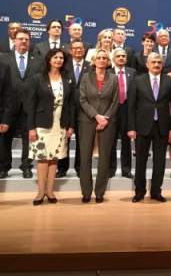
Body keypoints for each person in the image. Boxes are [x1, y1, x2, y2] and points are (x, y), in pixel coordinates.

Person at [128, 52, 171, 203]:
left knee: (160, 162)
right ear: (147, 64)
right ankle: (139, 191)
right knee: (140, 161)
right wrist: (131, 127)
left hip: (162, 127)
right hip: (142, 127)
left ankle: (156, 191)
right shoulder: (137, 80)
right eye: (153, 62)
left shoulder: (169, 81)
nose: (156, 64)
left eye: (159, 62)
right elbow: (131, 106)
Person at [27, 48, 75, 205]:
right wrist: (31, 128)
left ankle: (50, 191)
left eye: (61, 58)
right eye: (55, 57)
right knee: (42, 159)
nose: (58, 60)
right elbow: (31, 105)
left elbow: (71, 105)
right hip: (41, 125)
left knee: (54, 159)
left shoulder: (68, 79)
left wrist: (71, 126)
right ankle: (40, 192)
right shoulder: (38, 78)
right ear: (49, 59)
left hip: (60, 125)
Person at [78, 49, 119, 203]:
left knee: (104, 159)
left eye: (104, 58)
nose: (101, 60)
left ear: (108, 62)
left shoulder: (114, 78)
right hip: (87, 121)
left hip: (107, 122)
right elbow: (82, 100)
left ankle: (100, 192)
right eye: (99, 58)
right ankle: (86, 192)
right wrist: (96, 116)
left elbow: (115, 101)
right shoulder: (85, 77)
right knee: (85, 158)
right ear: (94, 61)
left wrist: (105, 118)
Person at [0, 28, 42, 179]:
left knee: (28, 138)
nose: (23, 41)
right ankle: (3, 167)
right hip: (8, 106)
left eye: (26, 39)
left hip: (30, 106)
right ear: (14, 41)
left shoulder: (38, 60)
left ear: (29, 42)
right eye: (20, 39)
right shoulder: (3, 58)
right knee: (5, 138)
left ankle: (26, 166)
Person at [57, 38, 90, 178]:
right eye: (75, 48)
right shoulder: (63, 66)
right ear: (70, 51)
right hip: (67, 108)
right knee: (64, 139)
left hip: (85, 109)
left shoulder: (91, 66)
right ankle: (62, 168)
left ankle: (79, 167)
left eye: (81, 48)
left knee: (82, 141)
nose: (78, 50)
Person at [107, 47, 136, 179]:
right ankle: (110, 169)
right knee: (111, 141)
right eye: (118, 56)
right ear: (113, 59)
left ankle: (126, 170)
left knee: (126, 142)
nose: (121, 58)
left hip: (127, 110)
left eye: (123, 56)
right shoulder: (108, 72)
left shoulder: (132, 72)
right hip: (112, 110)